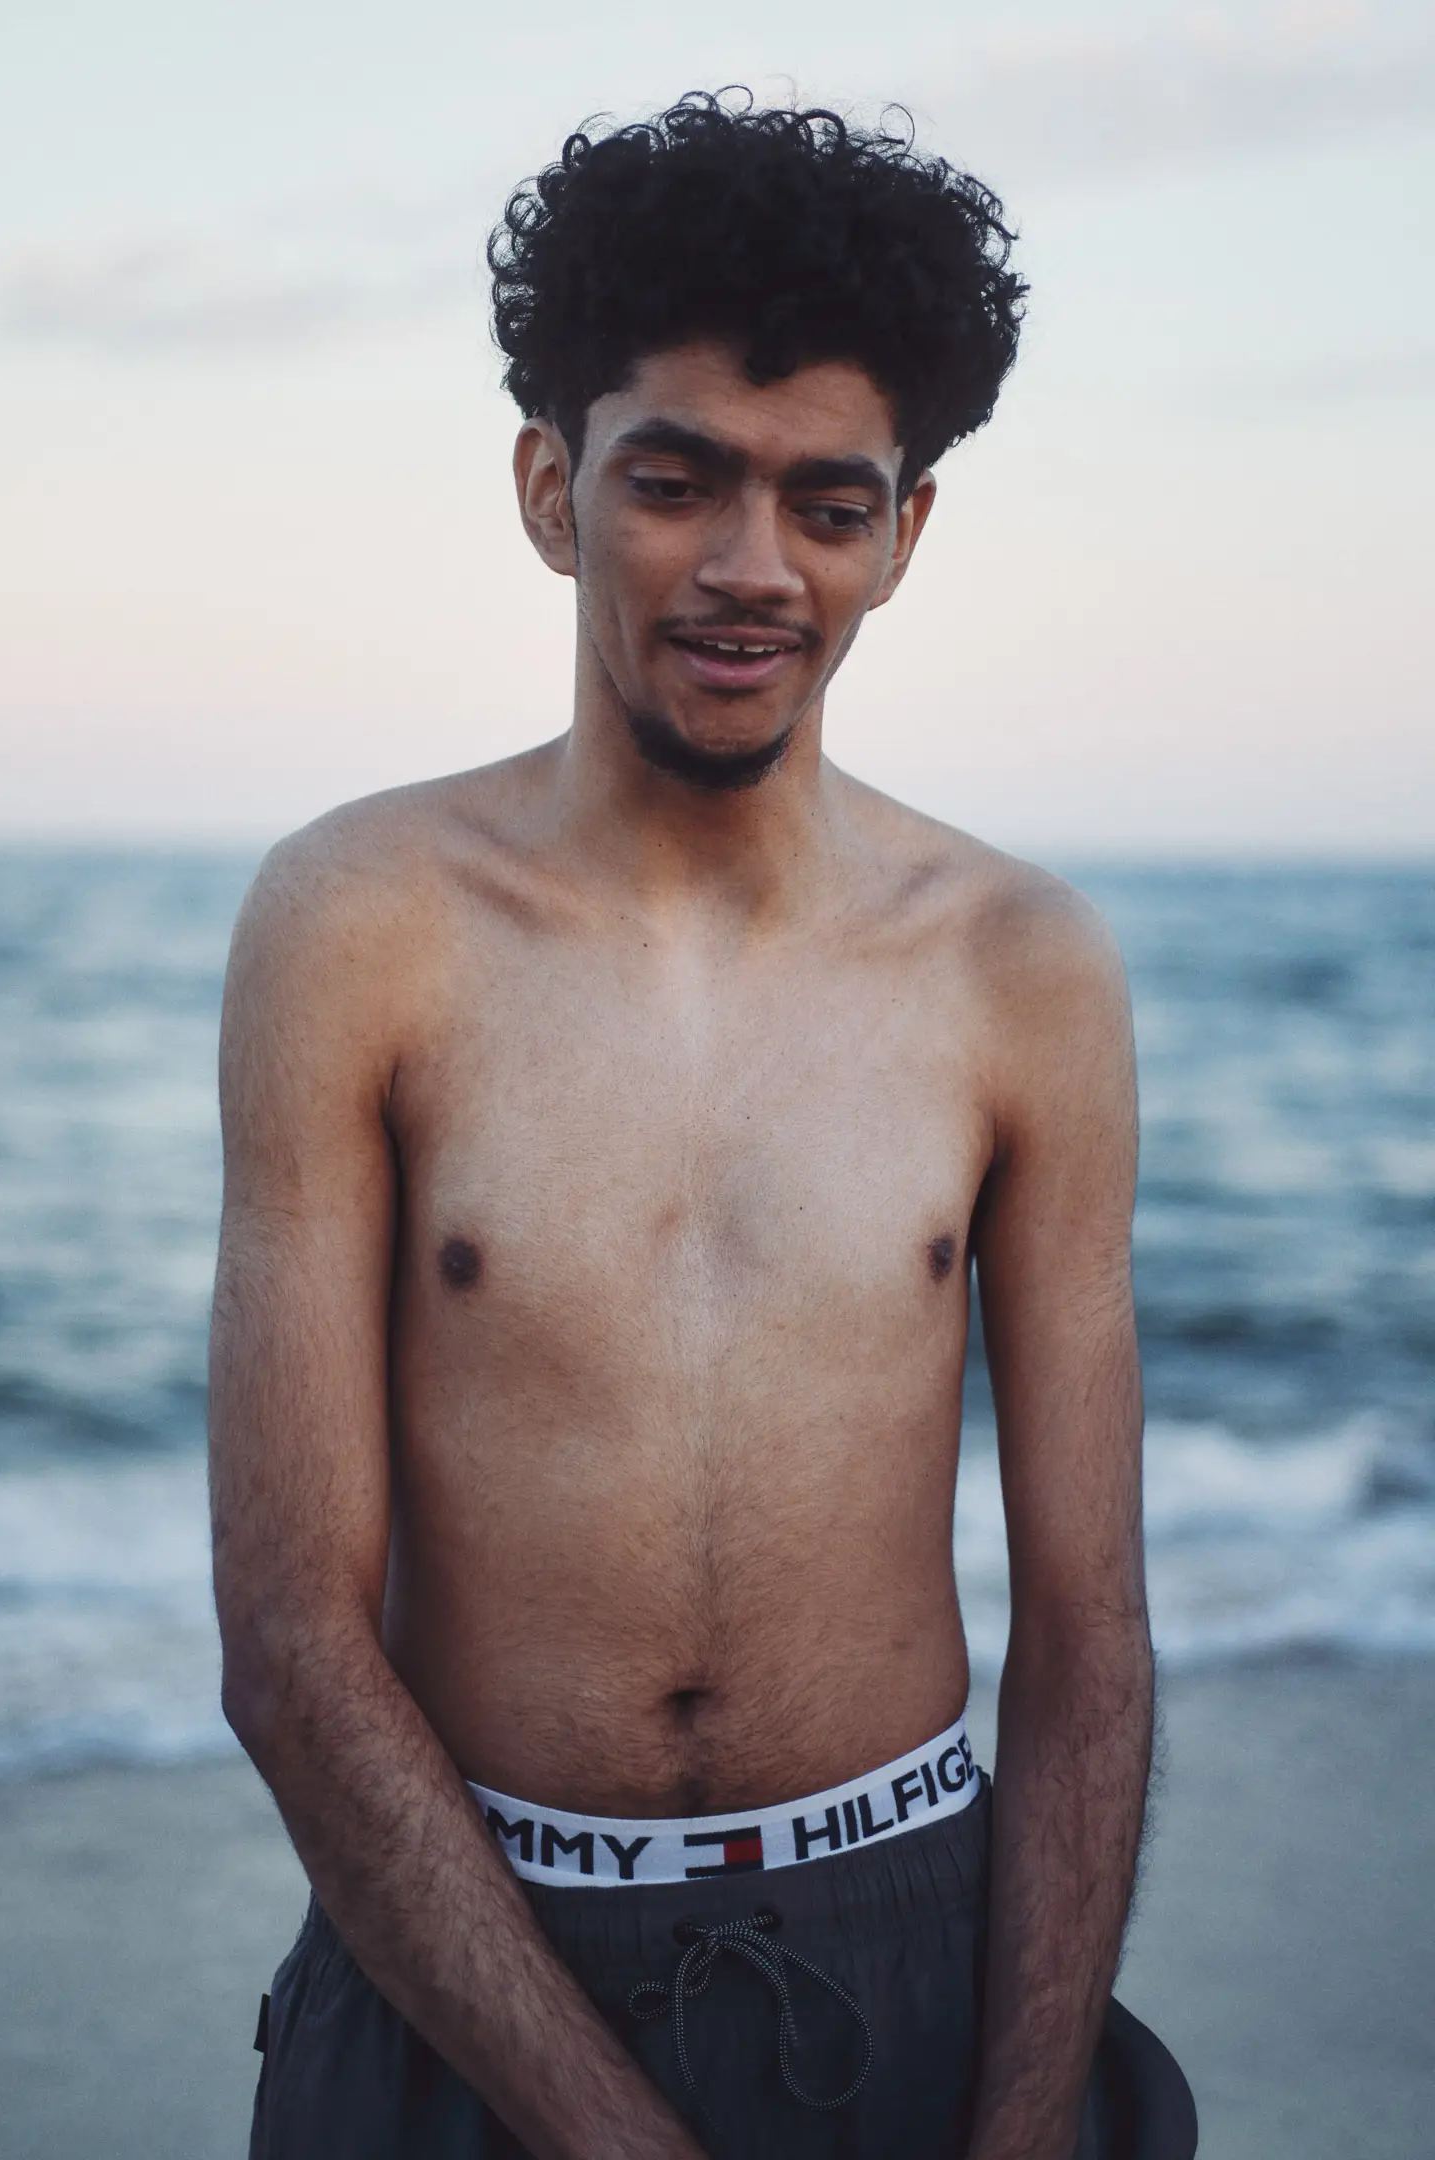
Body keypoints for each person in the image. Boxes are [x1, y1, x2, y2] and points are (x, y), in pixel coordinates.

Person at [210, 92, 1197, 2160]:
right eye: (679, 483)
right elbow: (297, 1649)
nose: (753, 570)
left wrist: (1026, 2122)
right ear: (552, 488)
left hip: (913, 1950)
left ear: (905, 534)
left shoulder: (1019, 966)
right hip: (468, 1977)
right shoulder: (357, 928)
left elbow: (1091, 1639)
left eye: (830, 504)